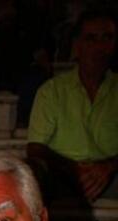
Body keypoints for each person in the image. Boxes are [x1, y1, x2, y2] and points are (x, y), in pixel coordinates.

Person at [27, 6, 118, 204]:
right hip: (64, 174)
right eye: (91, 38)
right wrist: (74, 168)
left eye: (107, 38)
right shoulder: (52, 91)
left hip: (112, 175)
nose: (100, 46)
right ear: (77, 45)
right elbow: (35, 148)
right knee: (33, 171)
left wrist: (108, 167)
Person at [0, 0, 54, 130]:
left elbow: (40, 53)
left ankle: (22, 123)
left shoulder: (28, 19)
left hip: (21, 72)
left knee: (37, 75)